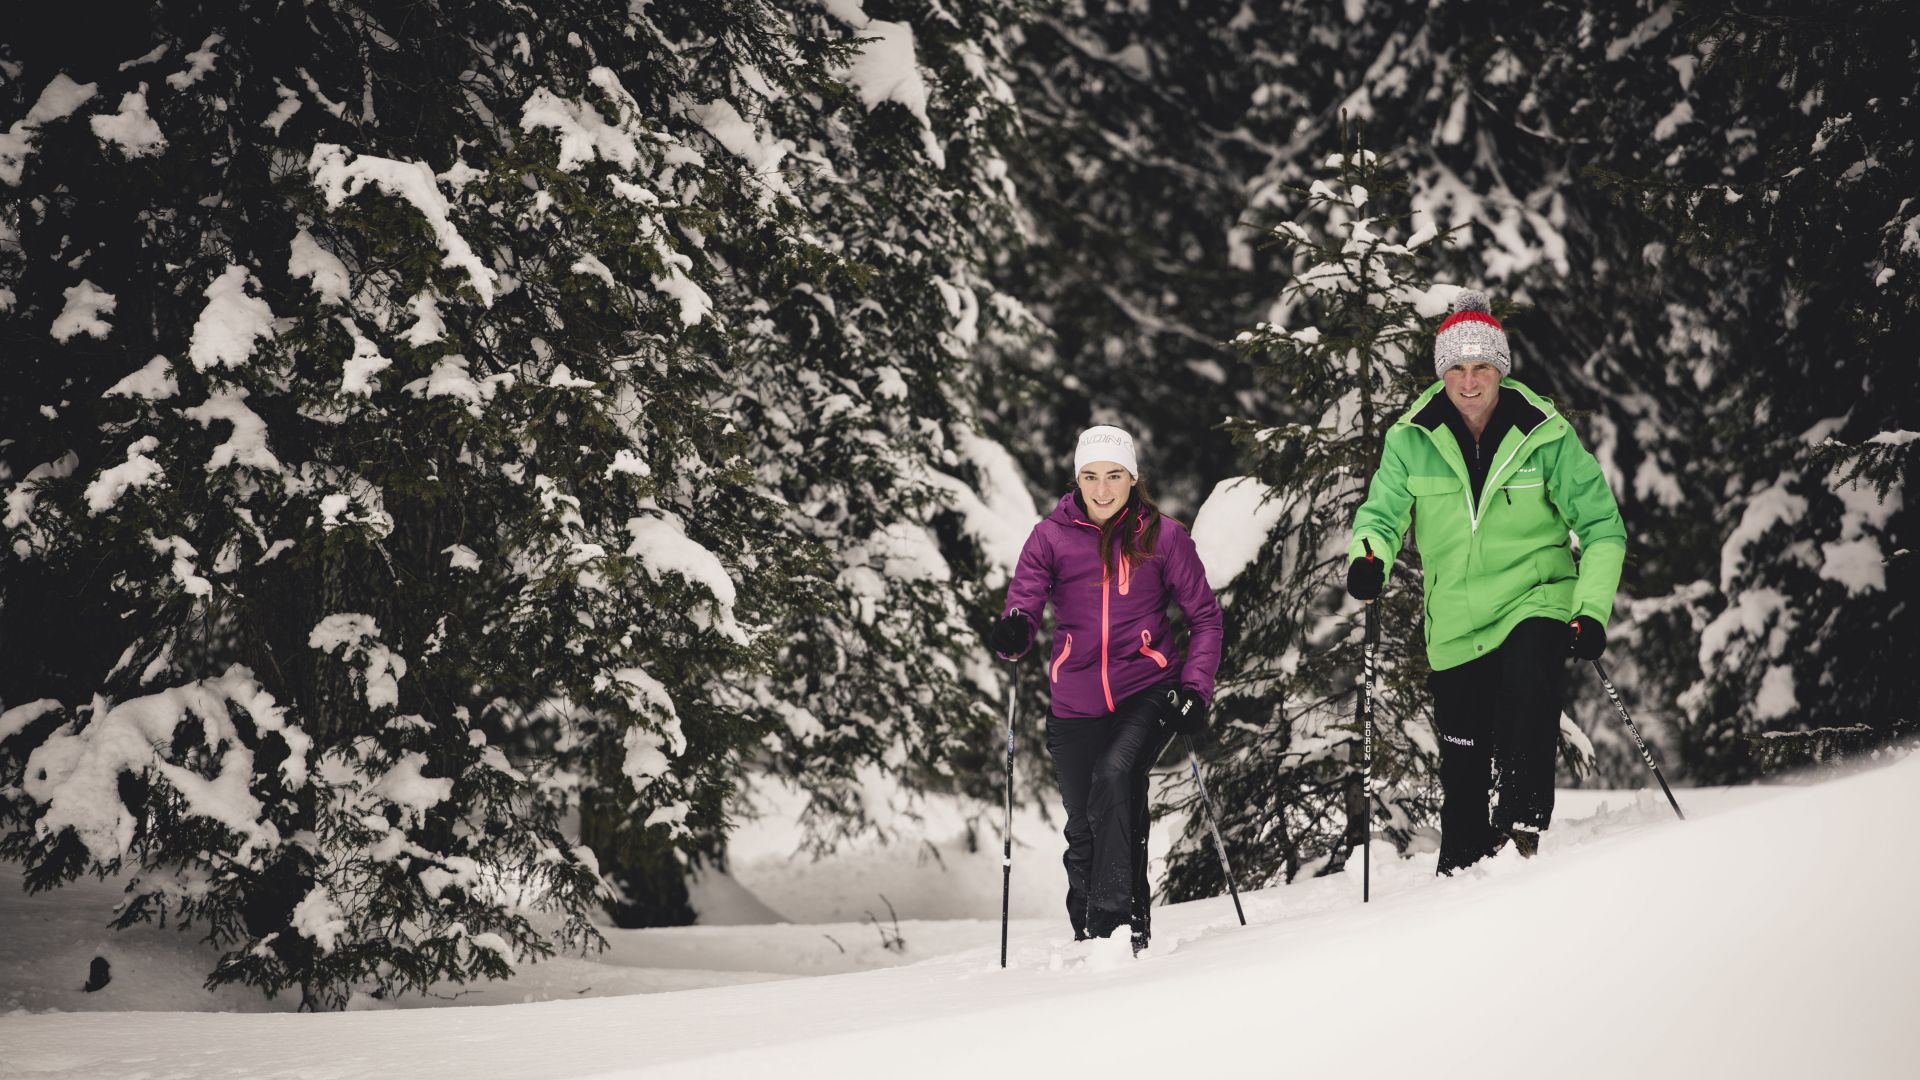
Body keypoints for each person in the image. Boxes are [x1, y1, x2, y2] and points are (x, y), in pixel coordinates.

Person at [1345, 290, 1626, 874]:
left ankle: (1523, 832)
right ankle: (1463, 870)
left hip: (1536, 596)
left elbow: (1601, 527)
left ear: (1500, 368)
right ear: (1441, 372)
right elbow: (1380, 516)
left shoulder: (1545, 434)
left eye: (1481, 367)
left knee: (1529, 684)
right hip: (1455, 619)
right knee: (1463, 768)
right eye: (1456, 368)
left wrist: (1590, 610)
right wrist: (1369, 556)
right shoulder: (1410, 438)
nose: (1469, 382)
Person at [987, 425, 1223, 953]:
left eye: (1113, 475)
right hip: (1075, 700)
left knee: (1116, 777)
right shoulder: (1050, 536)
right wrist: (1014, 632)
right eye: (1090, 476)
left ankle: (1117, 929)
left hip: (1148, 687)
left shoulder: (1163, 538)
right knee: (1083, 824)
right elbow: (1022, 605)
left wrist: (1195, 687)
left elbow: (1204, 618)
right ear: (1076, 479)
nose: (1101, 488)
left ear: (1132, 478)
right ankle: (1087, 932)